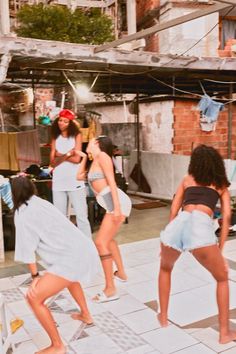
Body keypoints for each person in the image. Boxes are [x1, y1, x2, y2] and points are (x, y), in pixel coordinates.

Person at [157, 144, 236, 344]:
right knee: (222, 278)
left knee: (165, 268)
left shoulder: (186, 179)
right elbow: (226, 217)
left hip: (179, 224)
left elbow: (174, 210)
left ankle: (163, 316)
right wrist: (220, 249)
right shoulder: (220, 185)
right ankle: (224, 333)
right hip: (199, 226)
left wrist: (169, 237)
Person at [12, 176, 99, 354]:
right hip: (82, 248)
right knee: (70, 279)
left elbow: (27, 249)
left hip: (70, 257)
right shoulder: (40, 202)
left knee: (34, 298)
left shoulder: (21, 213)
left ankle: (57, 346)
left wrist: (35, 277)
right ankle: (86, 314)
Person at [76, 136, 132, 303]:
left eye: (92, 141)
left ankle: (110, 289)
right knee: (108, 241)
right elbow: (79, 176)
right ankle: (121, 273)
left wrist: (117, 208)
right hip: (110, 204)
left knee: (100, 242)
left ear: (98, 144)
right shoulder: (93, 161)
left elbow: (112, 183)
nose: (89, 143)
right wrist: (84, 157)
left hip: (116, 202)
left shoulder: (103, 157)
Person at [50, 109, 91, 238]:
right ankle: (64, 243)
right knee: (60, 217)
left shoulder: (77, 135)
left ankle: (88, 244)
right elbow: (52, 161)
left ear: (71, 123)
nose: (61, 123)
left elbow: (77, 159)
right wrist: (68, 153)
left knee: (81, 216)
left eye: (65, 121)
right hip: (58, 181)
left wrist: (59, 155)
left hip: (74, 180)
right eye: (60, 120)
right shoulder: (55, 136)